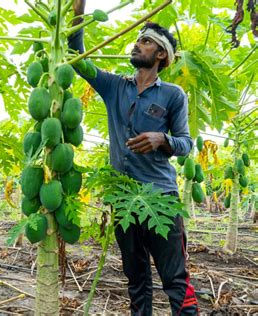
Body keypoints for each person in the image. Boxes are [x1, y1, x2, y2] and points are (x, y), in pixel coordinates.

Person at [69, 1, 198, 314]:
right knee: (136, 277)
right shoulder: (115, 86)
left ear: (161, 55)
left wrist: (161, 139)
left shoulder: (172, 95)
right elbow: (78, 59)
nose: (137, 43)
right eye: (138, 39)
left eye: (146, 41)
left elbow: (185, 144)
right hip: (124, 198)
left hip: (160, 197)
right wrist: (77, 14)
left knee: (174, 278)